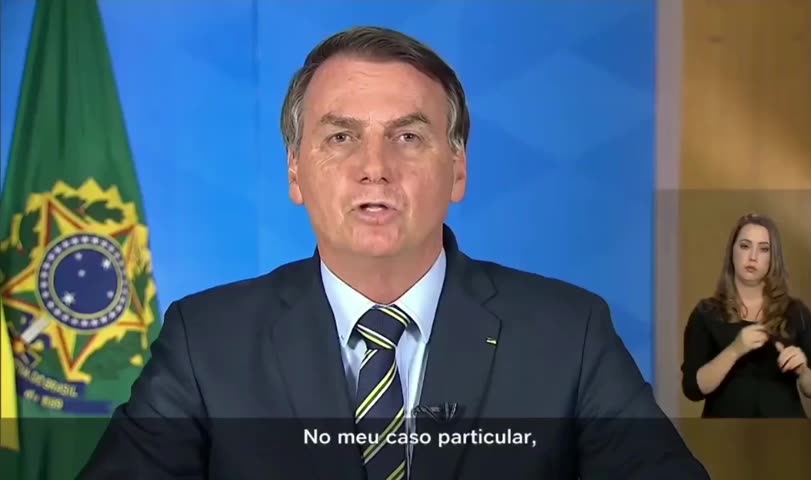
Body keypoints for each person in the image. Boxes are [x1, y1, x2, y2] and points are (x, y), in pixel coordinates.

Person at [80, 26, 708, 479]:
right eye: (341, 137)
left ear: (457, 169)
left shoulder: (570, 335)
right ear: (296, 172)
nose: (374, 168)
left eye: (408, 136)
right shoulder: (205, 341)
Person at [681, 213, 811, 418]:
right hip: (725, 433)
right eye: (745, 246)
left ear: (773, 258)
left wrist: (803, 371)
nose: (753, 256)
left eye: (764, 249)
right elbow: (693, 389)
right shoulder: (706, 314)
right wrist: (735, 350)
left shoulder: (797, 313)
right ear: (732, 252)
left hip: (784, 432)